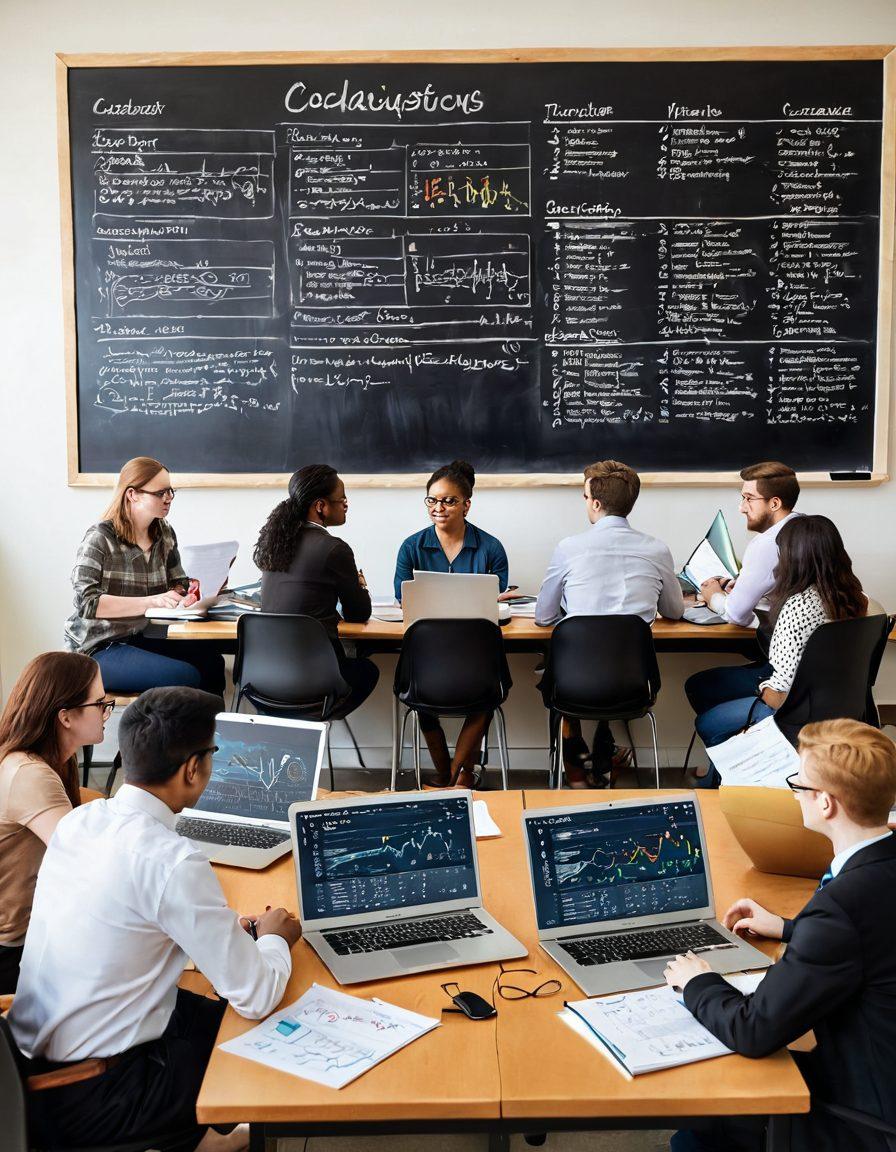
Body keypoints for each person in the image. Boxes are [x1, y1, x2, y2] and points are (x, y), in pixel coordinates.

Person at [8, 687, 299, 1152]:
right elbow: (257, 994)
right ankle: (215, 1136)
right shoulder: (172, 860)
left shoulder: (83, 822)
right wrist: (275, 939)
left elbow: (125, 926)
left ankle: (198, 1137)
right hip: (97, 1094)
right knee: (262, 1031)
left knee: (209, 1008)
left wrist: (232, 934)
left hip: (30, 1069)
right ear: (192, 769)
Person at [664, 718, 896, 1152]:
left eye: (798, 783)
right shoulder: (878, 868)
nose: (794, 793)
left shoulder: (841, 907)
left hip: (867, 1116)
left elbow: (755, 1030)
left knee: (700, 1130)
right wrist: (790, 928)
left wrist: (698, 982)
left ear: (825, 804)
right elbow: (875, 938)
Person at [535, 460, 684, 787]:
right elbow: (674, 611)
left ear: (596, 503)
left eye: (585, 497)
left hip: (572, 685)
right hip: (635, 686)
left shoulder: (568, 548)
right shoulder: (657, 549)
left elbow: (543, 617)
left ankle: (576, 765)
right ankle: (609, 755)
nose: (585, 502)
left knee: (549, 665)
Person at [690, 515, 867, 777]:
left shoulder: (797, 606)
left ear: (793, 557)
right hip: (833, 699)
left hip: (793, 707)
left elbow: (779, 693)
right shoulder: (855, 597)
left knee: (709, 723)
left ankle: (737, 777)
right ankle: (733, 770)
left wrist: (752, 720)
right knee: (704, 687)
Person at [65, 456, 225, 696]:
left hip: (141, 636)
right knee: (184, 675)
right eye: (160, 492)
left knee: (213, 663)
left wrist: (186, 593)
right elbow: (87, 603)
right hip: (99, 648)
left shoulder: (165, 532)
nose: (168, 498)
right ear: (133, 494)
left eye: (170, 491)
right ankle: (177, 733)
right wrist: (152, 601)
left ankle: (211, 734)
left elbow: (177, 583)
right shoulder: (100, 538)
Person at [393, 461, 510, 789]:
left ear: (466, 505)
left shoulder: (490, 547)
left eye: (449, 501)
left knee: (489, 689)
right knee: (419, 687)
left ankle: (459, 774)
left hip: (474, 656)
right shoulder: (411, 546)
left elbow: (495, 600)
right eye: (432, 500)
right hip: (428, 657)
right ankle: (449, 773)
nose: (439, 508)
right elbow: (402, 598)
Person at [0, 651, 110, 993]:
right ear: (66, 716)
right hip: (12, 956)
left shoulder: (52, 761)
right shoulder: (30, 775)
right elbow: (88, 864)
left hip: (36, 936)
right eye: (100, 703)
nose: (108, 711)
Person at [685, 462, 801, 732]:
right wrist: (744, 587)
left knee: (699, 687)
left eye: (749, 499)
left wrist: (713, 594)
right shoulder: (805, 529)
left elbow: (737, 615)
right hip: (817, 677)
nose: (742, 507)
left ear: (774, 503)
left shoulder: (766, 544)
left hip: (783, 678)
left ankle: (735, 761)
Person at [255, 464, 378, 714]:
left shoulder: (275, 544)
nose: (346, 504)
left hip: (264, 680)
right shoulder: (334, 548)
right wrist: (359, 583)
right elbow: (358, 613)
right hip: (316, 679)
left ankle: (298, 732)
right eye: (342, 498)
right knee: (367, 670)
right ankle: (312, 725)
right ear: (320, 506)